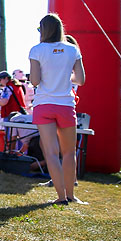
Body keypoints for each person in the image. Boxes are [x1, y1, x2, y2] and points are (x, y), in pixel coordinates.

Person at [29, 13, 86, 205]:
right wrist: (64, 77)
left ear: (43, 30)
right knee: (69, 152)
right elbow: (80, 79)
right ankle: (71, 195)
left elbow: (35, 81)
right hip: (66, 105)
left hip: (44, 104)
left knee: (51, 153)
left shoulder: (36, 50)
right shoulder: (72, 50)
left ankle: (61, 197)